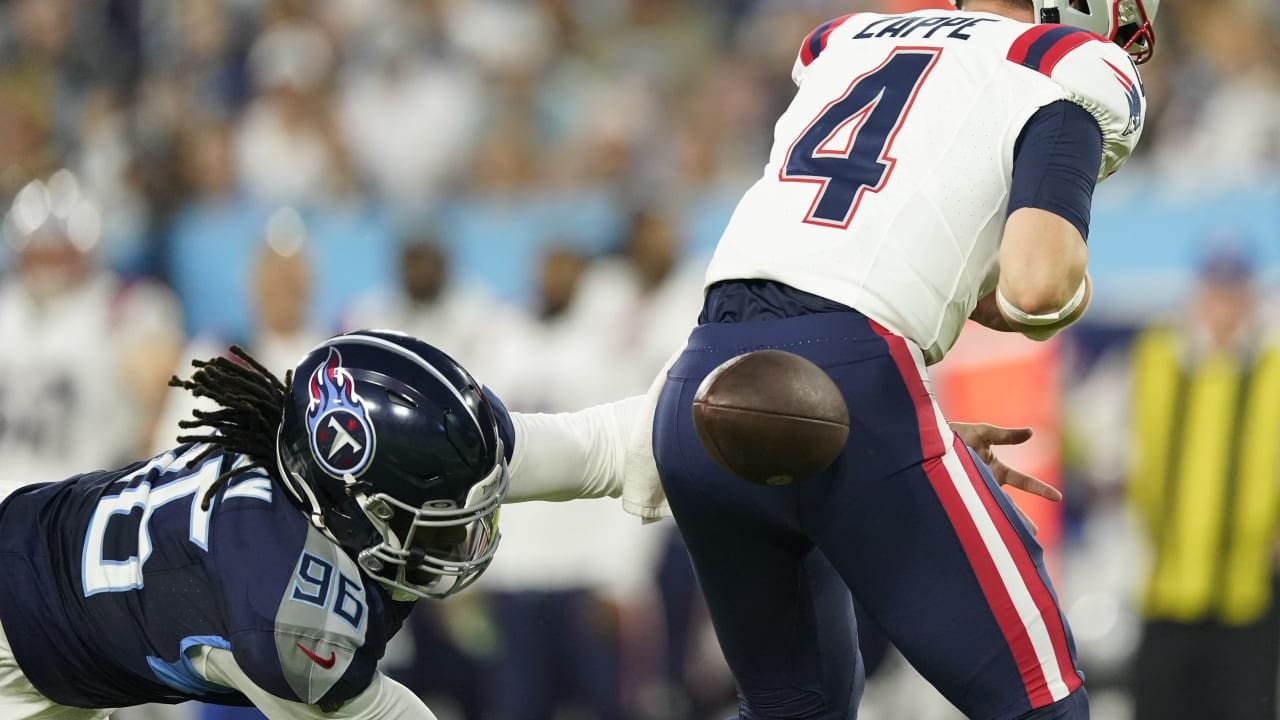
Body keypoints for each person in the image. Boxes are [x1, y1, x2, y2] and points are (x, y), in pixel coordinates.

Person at [631, 0, 1158, 717]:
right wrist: (1050, 298)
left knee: (793, 708)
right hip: (848, 388)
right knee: (1041, 702)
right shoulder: (1061, 61)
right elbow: (1038, 282)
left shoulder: (847, 37)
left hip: (700, 384)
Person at [0, 330, 508, 719]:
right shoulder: (281, 602)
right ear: (353, 503)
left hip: (46, 585)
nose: (454, 540)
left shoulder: (281, 466)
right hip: (21, 623)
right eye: (437, 519)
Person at [1071, 240, 1280, 720]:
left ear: (1249, 298)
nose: (1223, 307)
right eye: (1215, 292)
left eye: (1233, 294)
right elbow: (1095, 435)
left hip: (1245, 588)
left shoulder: (1270, 366)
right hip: (1163, 583)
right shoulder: (1155, 356)